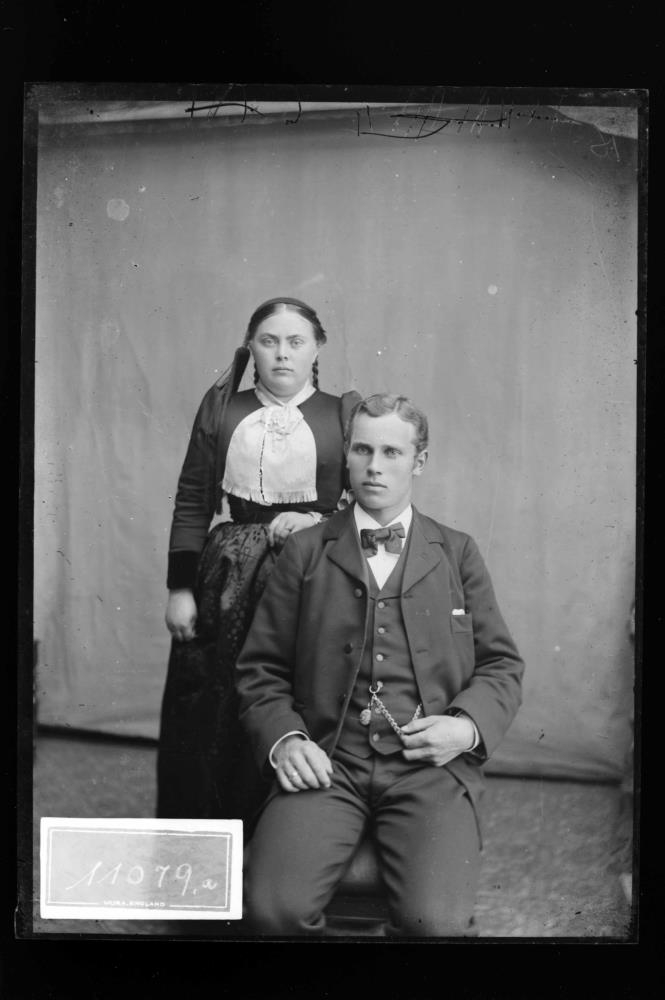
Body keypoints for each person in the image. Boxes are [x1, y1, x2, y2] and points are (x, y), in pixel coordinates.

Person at [236, 393, 525, 936]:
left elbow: (501, 665)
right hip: (328, 760)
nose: (374, 466)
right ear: (346, 455)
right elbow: (261, 669)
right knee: (274, 910)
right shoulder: (306, 551)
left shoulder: (457, 552)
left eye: (392, 452)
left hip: (430, 772)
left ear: (419, 461)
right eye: (363, 450)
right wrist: (287, 741)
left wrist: (464, 728)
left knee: (436, 924)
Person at [157, 297, 360, 828]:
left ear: (317, 348)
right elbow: (193, 498)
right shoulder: (223, 409)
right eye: (269, 342)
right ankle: (212, 834)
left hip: (314, 570)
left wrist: (316, 521)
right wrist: (180, 588)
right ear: (252, 347)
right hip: (228, 576)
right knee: (215, 704)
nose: (282, 354)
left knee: (300, 693)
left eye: (296, 342)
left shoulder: (344, 414)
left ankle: (288, 834)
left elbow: (367, 501)